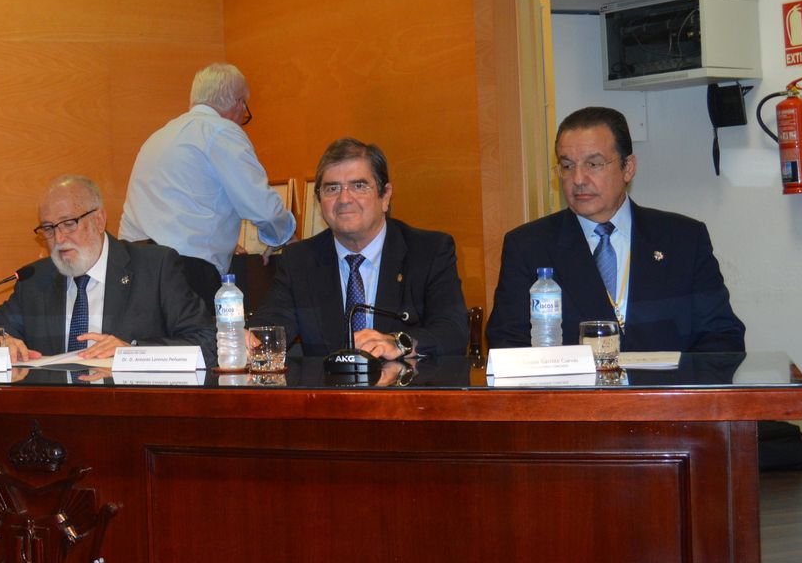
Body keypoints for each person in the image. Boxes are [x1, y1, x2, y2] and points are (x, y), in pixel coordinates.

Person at [486, 106, 745, 352]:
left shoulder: (683, 239)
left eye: (593, 164)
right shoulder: (529, 246)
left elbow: (721, 336)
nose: (578, 179)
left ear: (628, 168)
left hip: (665, 396)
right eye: (567, 166)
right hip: (572, 396)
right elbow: (507, 342)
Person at [253, 138, 468, 360]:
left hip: (405, 391)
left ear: (385, 196)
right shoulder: (299, 260)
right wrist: (245, 341)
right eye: (332, 188)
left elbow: (453, 331)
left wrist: (398, 343)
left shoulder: (428, 251)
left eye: (359, 186)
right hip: (328, 393)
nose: (344, 199)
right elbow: (271, 324)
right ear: (319, 201)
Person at [0, 175, 215, 363]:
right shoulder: (36, 279)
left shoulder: (155, 267)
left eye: (69, 223)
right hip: (57, 413)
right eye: (49, 228)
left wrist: (131, 354)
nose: (59, 238)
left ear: (99, 220)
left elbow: (206, 342)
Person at [119, 62, 296, 303]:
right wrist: (283, 235)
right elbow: (261, 207)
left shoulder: (157, 137)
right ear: (239, 104)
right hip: (185, 273)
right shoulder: (221, 131)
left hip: (133, 270)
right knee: (198, 341)